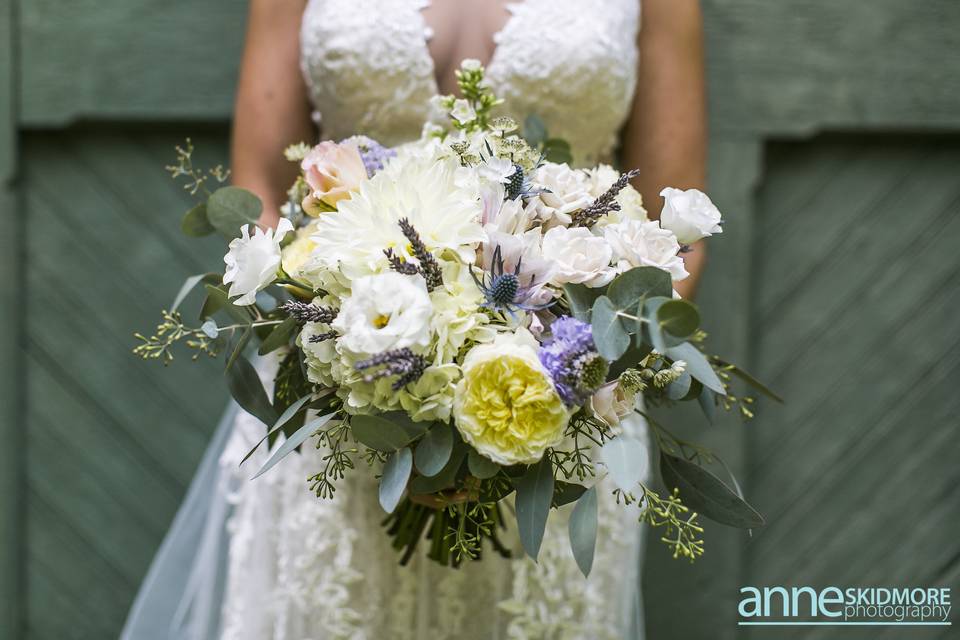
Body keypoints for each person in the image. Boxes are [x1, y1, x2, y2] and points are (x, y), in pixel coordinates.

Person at [122, 1, 706, 638]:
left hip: (559, 422)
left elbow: (676, 229)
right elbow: (260, 188)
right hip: (335, 408)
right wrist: (351, 368)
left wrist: (569, 377)